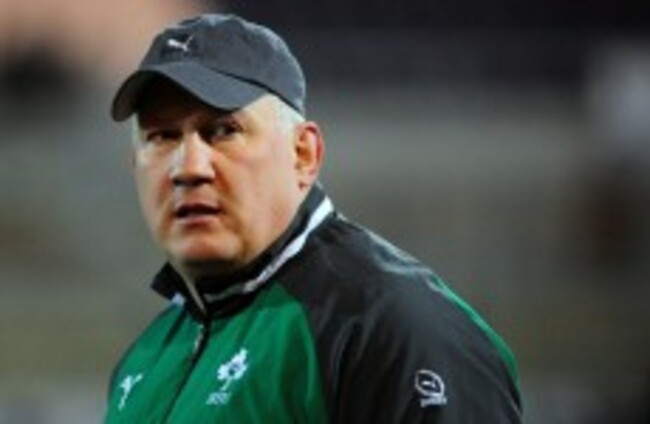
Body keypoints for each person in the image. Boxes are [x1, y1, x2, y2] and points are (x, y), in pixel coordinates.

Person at [105, 13, 523, 423]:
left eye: (223, 130)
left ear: (303, 154)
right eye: (162, 136)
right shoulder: (145, 359)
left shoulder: (394, 327)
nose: (188, 167)